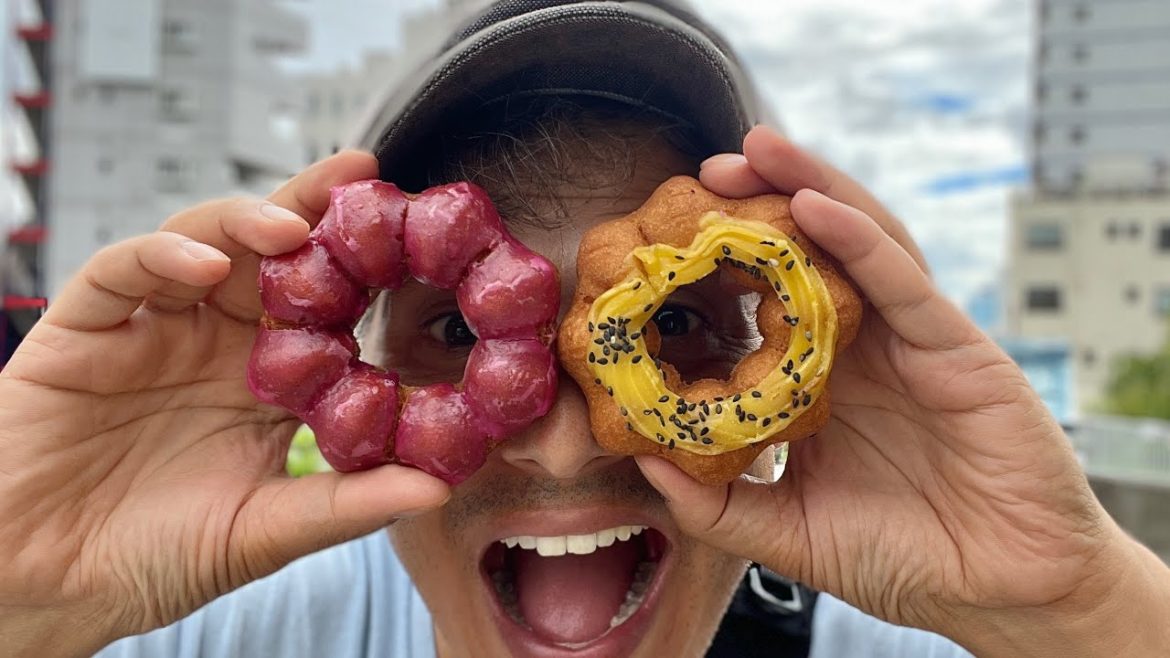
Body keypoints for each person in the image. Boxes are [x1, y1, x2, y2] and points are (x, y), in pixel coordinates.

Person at [1, 2, 1168, 657]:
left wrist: (1077, 610)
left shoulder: (910, 634)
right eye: (456, 328)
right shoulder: (235, 634)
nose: (564, 446)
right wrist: (27, 593)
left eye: (679, 323)